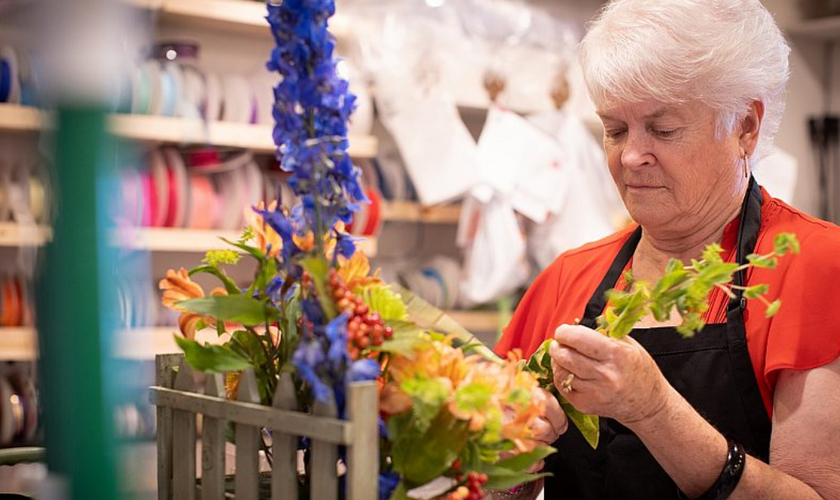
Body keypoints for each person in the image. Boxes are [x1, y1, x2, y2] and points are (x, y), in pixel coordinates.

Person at [493, 0, 840, 499]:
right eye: (614, 130)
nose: (631, 155)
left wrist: (654, 410)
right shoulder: (567, 278)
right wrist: (506, 465)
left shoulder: (814, 267)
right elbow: (495, 483)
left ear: (745, 126)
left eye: (663, 129)